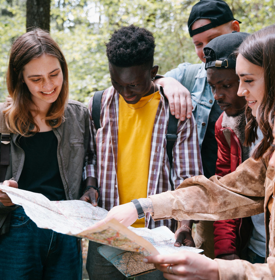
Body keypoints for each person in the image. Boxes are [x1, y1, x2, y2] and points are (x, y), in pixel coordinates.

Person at [93, 24, 275, 279]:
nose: (242, 91)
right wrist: (143, 206)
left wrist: (216, 269)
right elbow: (227, 191)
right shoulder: (264, 148)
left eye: (248, 80)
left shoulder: (175, 113)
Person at [0, 29, 89, 280]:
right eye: (36, 79)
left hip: (67, 228)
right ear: (20, 78)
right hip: (16, 230)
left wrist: (90, 190)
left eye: (54, 74)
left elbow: (91, 164)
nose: (48, 85)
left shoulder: (79, 116)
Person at [82, 25, 202, 280]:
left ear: (153, 72)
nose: (126, 93)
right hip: (108, 236)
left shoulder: (175, 112)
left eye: (134, 84)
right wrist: (90, 186)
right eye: (117, 83)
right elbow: (90, 157)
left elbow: (188, 179)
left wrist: (184, 225)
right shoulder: (97, 105)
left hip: (157, 239)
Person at [156, 0, 242, 255]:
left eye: (213, 39)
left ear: (235, 29)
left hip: (249, 192)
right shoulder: (191, 76)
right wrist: (168, 83)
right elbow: (148, 78)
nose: (206, 50)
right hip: (210, 198)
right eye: (198, 44)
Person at [204, 32, 267, 263]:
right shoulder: (225, 126)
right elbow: (226, 188)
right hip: (255, 247)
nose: (218, 96)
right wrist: (225, 251)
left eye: (227, 85)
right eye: (212, 87)